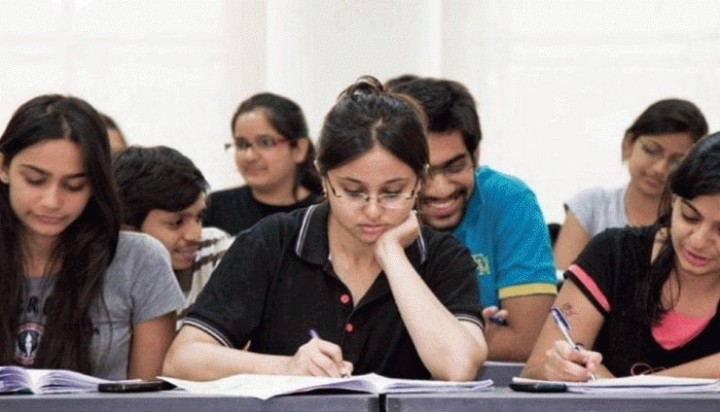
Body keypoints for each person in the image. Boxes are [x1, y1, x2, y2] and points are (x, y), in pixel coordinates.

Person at [163, 76, 487, 381]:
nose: (373, 211)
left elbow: (458, 367)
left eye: (392, 192)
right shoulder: (274, 242)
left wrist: (392, 254)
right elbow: (183, 359)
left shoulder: (443, 256)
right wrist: (288, 367)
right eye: (353, 191)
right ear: (323, 176)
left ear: (419, 180)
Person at [0, 95, 184, 380]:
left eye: (74, 186)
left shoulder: (138, 260)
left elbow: (148, 395)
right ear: (3, 167)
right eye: (35, 180)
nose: (52, 201)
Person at [521, 131, 720, 381]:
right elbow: (535, 370)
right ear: (673, 200)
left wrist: (629, 390)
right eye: (689, 217)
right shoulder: (614, 256)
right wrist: (555, 368)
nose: (698, 240)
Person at [390, 77, 557, 362]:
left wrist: (422, 336)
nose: (440, 189)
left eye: (455, 167)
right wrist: (471, 332)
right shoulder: (377, 208)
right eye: (423, 173)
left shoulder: (508, 199)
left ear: (475, 155)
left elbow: (529, 342)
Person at [553, 99, 708, 271]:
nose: (659, 168)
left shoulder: (692, 227)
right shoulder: (591, 206)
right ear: (628, 143)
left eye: (677, 162)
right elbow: (563, 279)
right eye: (651, 150)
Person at [113, 145, 234, 319]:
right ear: (128, 227)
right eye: (177, 222)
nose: (195, 235)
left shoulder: (215, 253)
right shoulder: (108, 281)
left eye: (199, 217)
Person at [203, 92, 323, 235]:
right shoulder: (214, 208)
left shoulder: (323, 213)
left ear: (299, 149)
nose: (249, 156)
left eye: (265, 142)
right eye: (241, 144)